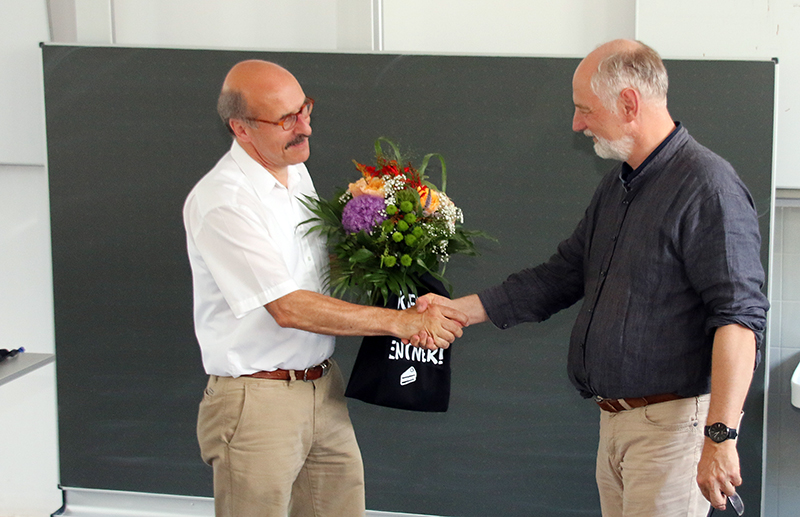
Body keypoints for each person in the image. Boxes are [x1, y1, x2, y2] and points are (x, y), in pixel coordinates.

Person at [416, 39, 769, 517]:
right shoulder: (618, 184)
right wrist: (457, 310)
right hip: (617, 426)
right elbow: (561, 275)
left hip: (671, 432)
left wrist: (721, 436)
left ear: (628, 103)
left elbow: (739, 320)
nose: (577, 123)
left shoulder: (709, 187)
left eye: (584, 108)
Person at [183, 60, 466, 517]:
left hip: (321, 387)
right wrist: (401, 322)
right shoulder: (224, 202)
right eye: (285, 119)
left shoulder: (295, 175)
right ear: (241, 128)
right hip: (257, 403)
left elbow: (310, 271)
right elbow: (288, 306)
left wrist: (392, 247)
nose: (305, 127)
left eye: (305, 108)